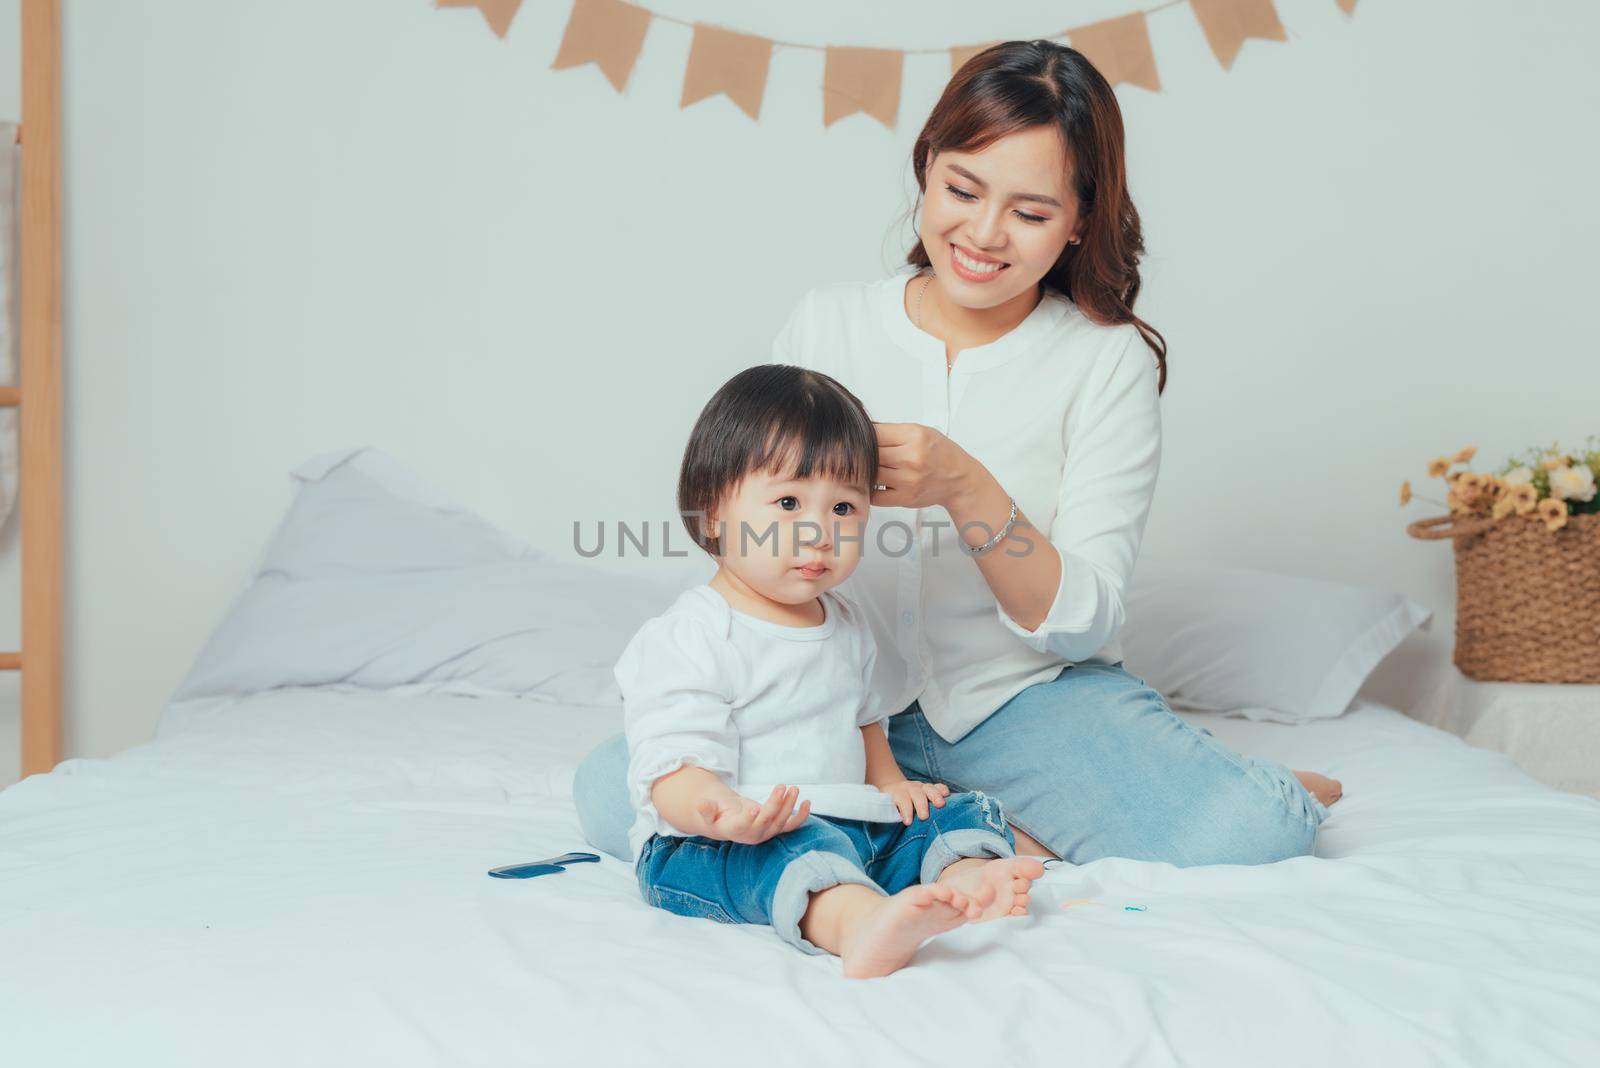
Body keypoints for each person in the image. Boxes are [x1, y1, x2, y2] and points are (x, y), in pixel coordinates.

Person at [581, 39, 1339, 871]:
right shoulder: (829, 324)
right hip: (833, 698)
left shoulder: (1103, 360)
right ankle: (964, 823)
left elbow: (1086, 619)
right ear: (926, 169)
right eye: (961, 190)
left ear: (1082, 217)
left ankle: (1188, 783)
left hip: (1021, 700)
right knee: (610, 791)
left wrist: (969, 489)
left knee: (1249, 831)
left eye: (1030, 211)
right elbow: (760, 514)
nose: (983, 234)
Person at [621, 364, 1045, 979]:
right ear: (714, 513)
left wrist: (892, 785)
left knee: (952, 810)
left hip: (844, 822)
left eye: (844, 507)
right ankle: (858, 925)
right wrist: (722, 812)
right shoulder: (694, 634)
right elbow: (671, 766)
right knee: (793, 852)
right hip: (714, 843)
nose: (821, 532)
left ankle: (968, 879)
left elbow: (863, 717)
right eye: (789, 502)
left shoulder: (843, 619)